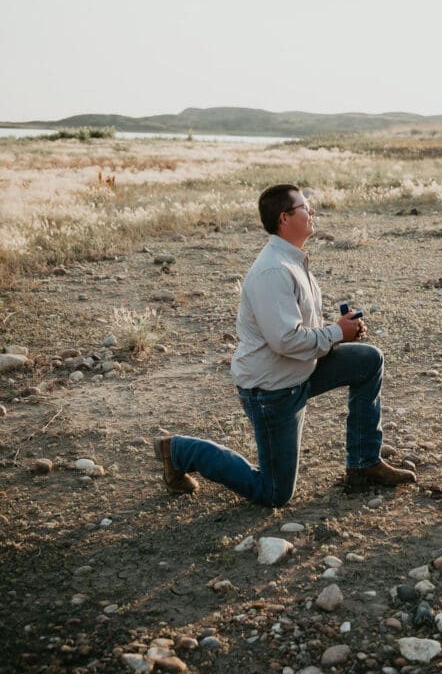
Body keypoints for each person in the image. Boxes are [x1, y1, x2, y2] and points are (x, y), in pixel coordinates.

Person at [153, 183, 416, 505]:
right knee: (274, 494)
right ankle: (178, 449)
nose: (312, 212)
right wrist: (335, 334)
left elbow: (299, 330)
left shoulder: (293, 260)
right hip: (271, 391)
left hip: (299, 373)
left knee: (367, 359)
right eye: (305, 207)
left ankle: (364, 464)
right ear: (284, 217)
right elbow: (285, 341)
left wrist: (341, 332)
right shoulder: (273, 271)